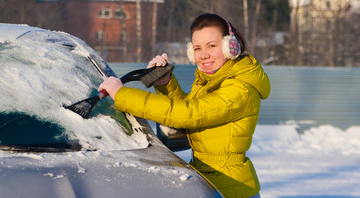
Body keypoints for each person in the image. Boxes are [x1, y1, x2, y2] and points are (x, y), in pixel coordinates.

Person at [99, 13, 271, 198]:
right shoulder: (211, 81)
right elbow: (188, 110)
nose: (204, 55)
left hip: (233, 189)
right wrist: (165, 82)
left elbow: (189, 114)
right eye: (197, 48)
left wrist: (122, 94)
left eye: (211, 46)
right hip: (210, 181)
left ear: (231, 46)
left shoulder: (239, 89)